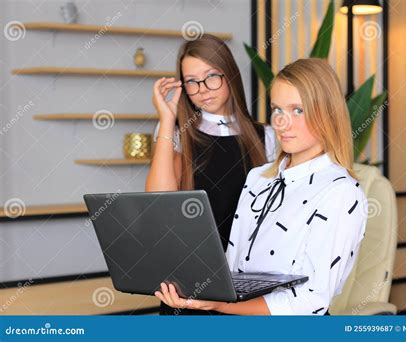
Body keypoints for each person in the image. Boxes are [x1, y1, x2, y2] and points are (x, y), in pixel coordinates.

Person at [155, 58, 368, 315]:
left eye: (297, 110)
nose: (281, 122)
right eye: (277, 109)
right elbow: (232, 269)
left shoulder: (340, 192)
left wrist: (219, 304)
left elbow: (312, 301)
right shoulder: (258, 179)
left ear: (327, 113)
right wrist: (193, 290)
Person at [146, 34, 277, 315]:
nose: (203, 89)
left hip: (249, 283)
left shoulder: (267, 137)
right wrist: (167, 120)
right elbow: (159, 204)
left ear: (229, 74)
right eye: (192, 81)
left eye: (211, 76)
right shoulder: (176, 133)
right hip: (188, 285)